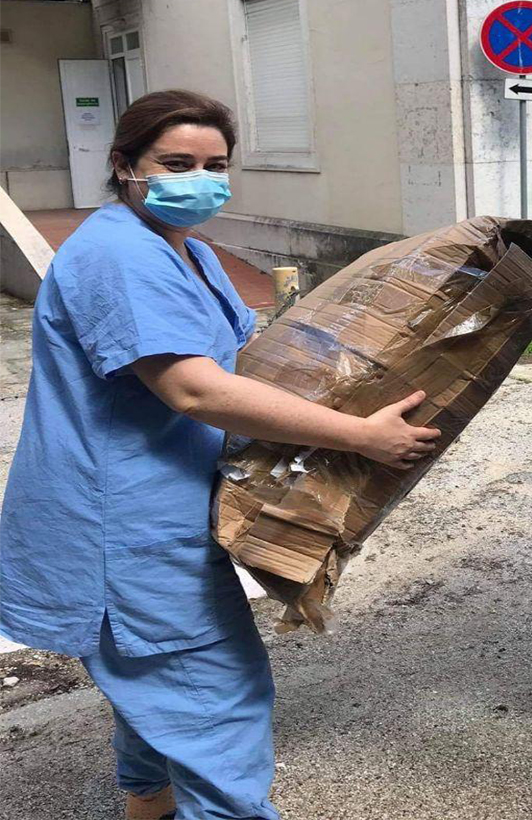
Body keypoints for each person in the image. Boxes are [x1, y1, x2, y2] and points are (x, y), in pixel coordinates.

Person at [0, 90, 441, 820]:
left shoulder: (192, 252)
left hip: (165, 508)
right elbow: (196, 390)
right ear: (124, 166)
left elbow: (248, 362)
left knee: (162, 690)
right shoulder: (116, 253)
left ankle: (149, 806)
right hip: (123, 529)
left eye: (214, 165)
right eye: (175, 164)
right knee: (216, 702)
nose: (198, 179)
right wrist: (361, 437)